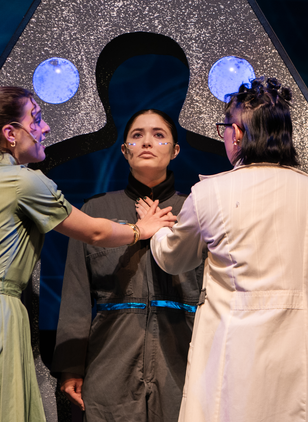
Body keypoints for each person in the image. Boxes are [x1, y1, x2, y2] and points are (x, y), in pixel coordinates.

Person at [0, 87, 176, 422]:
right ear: (10, 133)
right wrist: (140, 230)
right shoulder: (24, 181)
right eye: (36, 119)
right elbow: (94, 231)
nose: (45, 128)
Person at [148, 77, 308, 422]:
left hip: (238, 361)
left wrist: (156, 230)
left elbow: (174, 258)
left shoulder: (210, 194)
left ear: (236, 133)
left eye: (224, 127)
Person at [52, 109, 202, 422]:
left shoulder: (195, 211)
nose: (147, 142)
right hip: (112, 358)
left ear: (175, 151)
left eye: (159, 135)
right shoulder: (96, 212)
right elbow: (77, 294)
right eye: (137, 136)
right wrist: (71, 366)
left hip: (183, 359)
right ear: (125, 150)